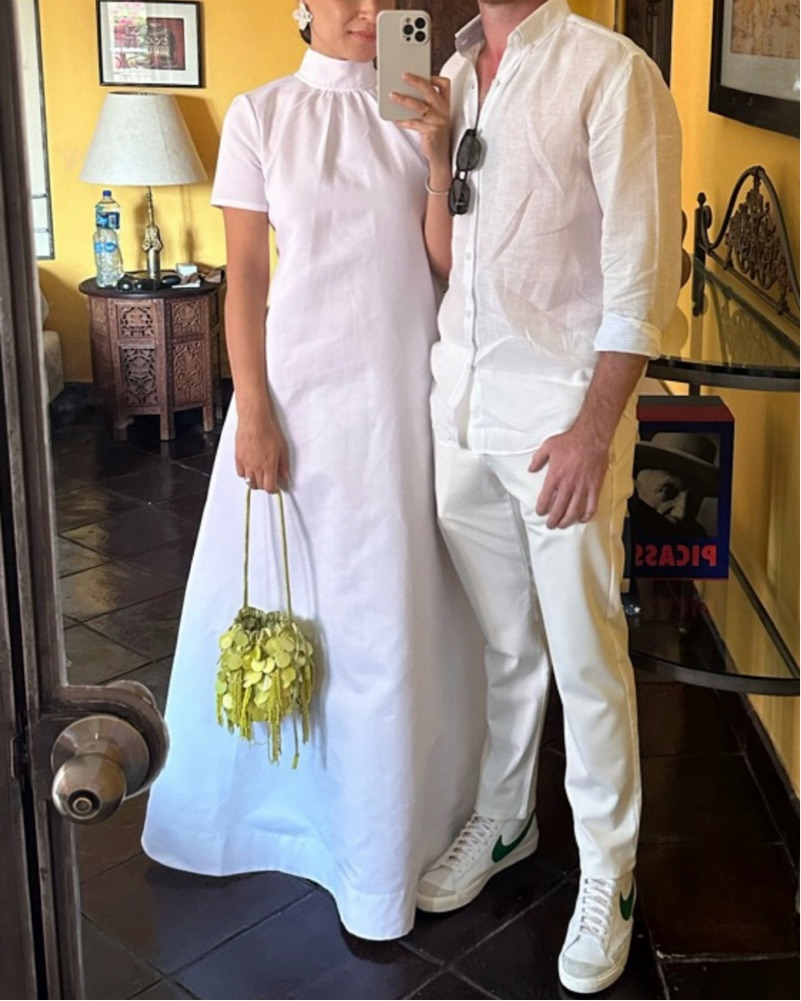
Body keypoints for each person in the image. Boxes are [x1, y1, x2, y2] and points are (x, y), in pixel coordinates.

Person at [142, 0, 485, 942]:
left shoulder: (427, 102)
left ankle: (384, 844)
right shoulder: (261, 115)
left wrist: (435, 156)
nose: (367, 9)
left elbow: (442, 263)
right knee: (294, 604)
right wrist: (251, 407)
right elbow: (246, 275)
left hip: (402, 398)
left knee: (388, 617)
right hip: (298, 398)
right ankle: (277, 819)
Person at [416, 0, 682, 994]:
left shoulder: (612, 72)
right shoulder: (457, 76)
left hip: (559, 425)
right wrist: (434, 155)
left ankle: (609, 868)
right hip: (462, 410)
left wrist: (593, 431)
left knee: (585, 653)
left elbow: (639, 283)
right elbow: (451, 261)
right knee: (504, 643)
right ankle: (507, 818)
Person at [631, 432, 720, 537]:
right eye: (668, 492)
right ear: (636, 484)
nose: (680, 514)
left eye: (695, 499)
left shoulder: (697, 536)